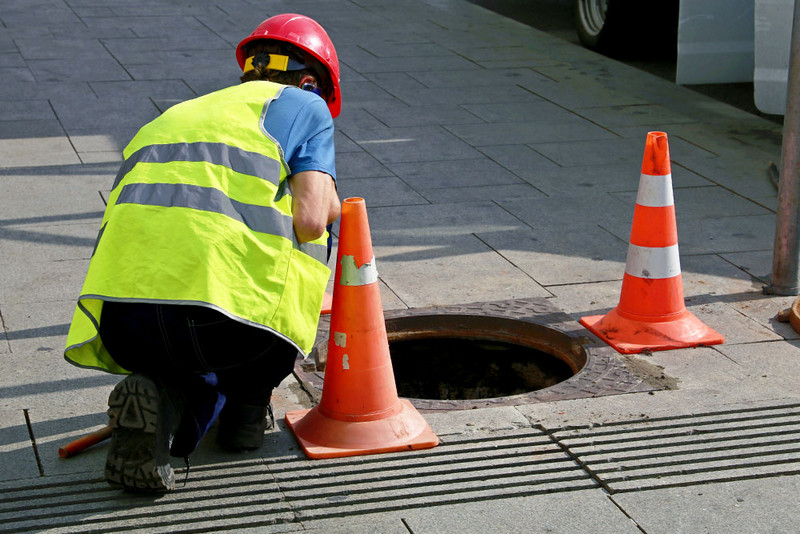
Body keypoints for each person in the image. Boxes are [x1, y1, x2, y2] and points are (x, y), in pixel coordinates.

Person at [63, 13, 342, 492]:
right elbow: (311, 218)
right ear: (311, 81)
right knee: (324, 233)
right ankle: (248, 409)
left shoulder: (177, 113)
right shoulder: (303, 105)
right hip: (221, 325)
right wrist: (335, 198)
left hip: (121, 320)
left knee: (180, 358)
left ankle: (160, 398)